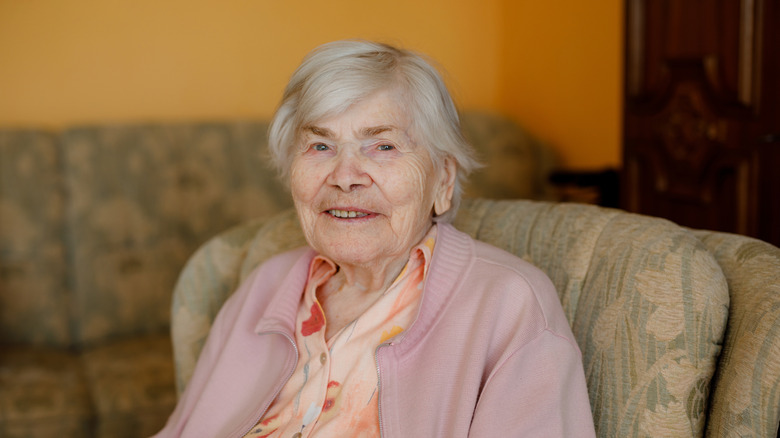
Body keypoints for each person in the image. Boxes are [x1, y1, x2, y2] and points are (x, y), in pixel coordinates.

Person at [154, 40, 595, 437]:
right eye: (320, 146)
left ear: (442, 180)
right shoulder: (265, 286)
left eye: (382, 146)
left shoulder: (508, 305)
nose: (345, 177)